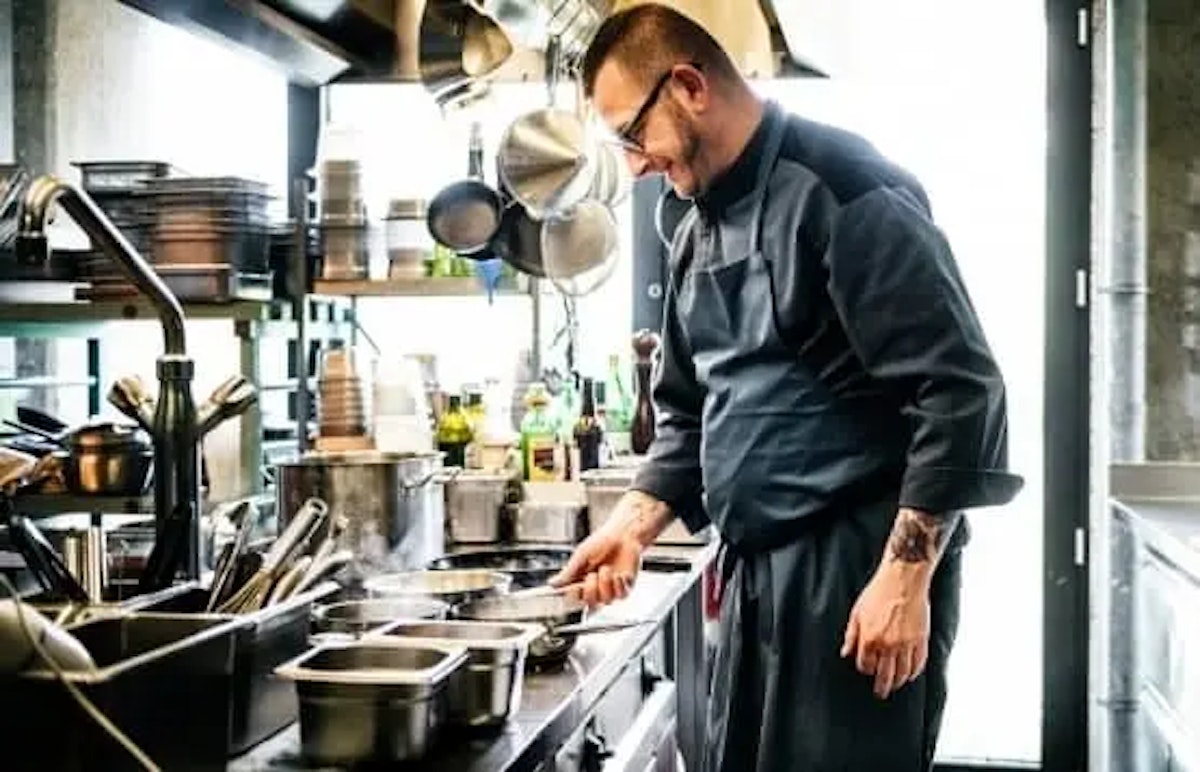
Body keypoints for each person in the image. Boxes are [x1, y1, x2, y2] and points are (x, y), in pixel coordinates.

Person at [549, 4, 1025, 772]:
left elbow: (963, 390)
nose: (635, 164)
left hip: (853, 575)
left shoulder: (844, 190)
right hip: (755, 576)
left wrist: (905, 580)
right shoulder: (694, 225)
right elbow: (689, 412)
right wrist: (631, 527)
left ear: (688, 85)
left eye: (634, 135)